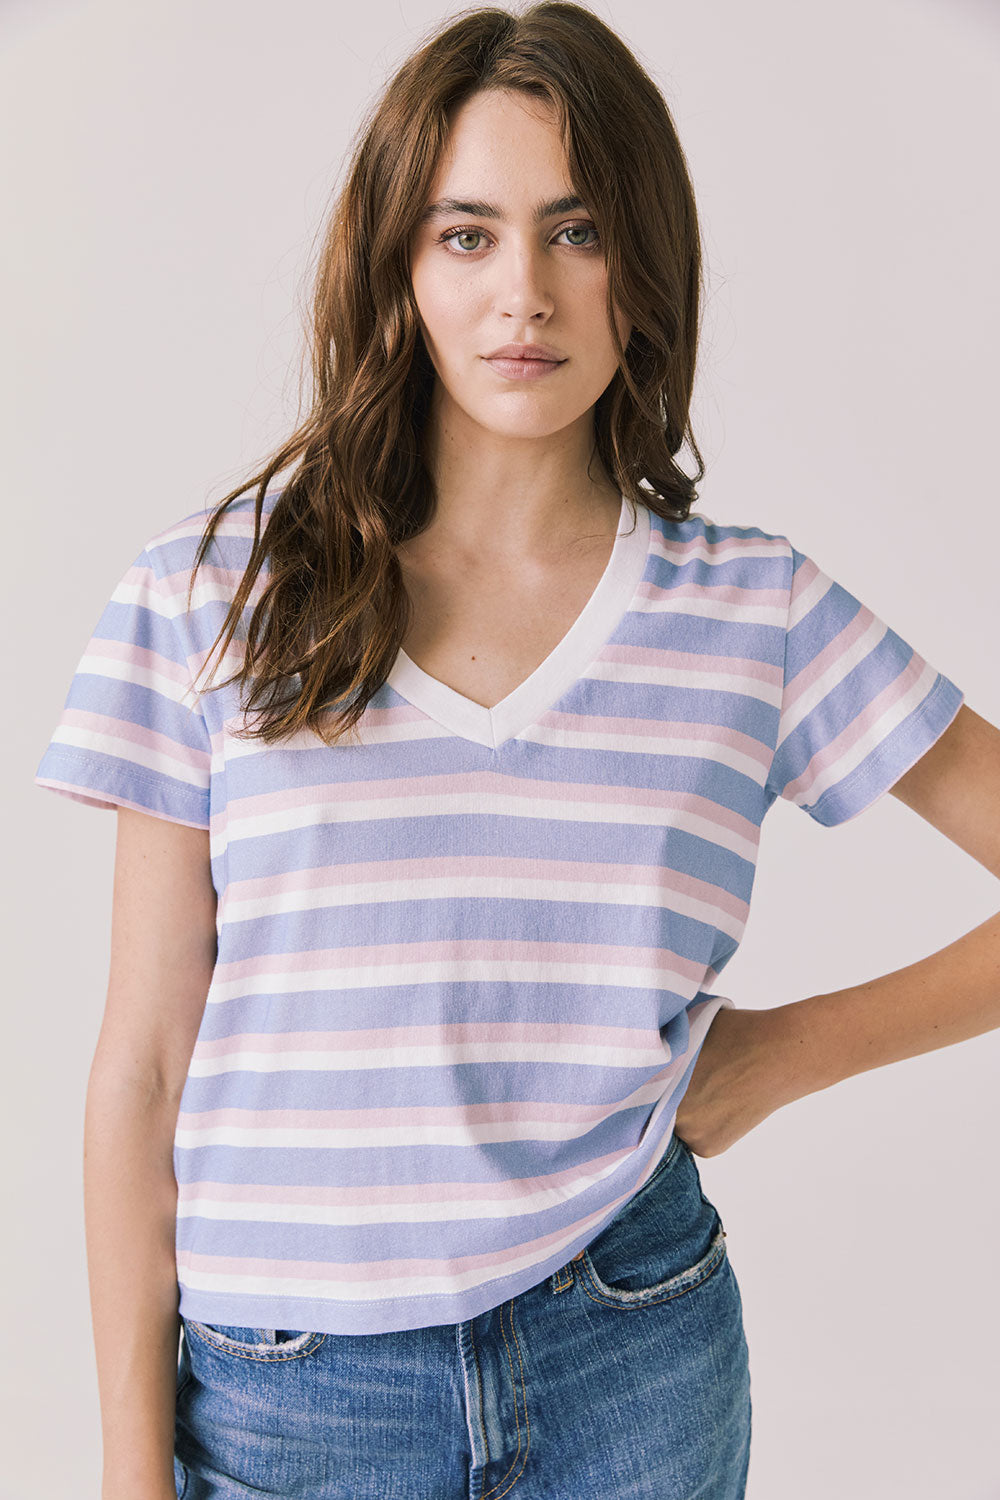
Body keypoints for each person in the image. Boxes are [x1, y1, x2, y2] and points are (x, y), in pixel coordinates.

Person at [33, 4, 1000, 1498]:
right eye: (467, 235)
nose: (525, 295)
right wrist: (121, 1463)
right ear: (399, 268)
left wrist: (779, 1057)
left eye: (578, 230)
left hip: (633, 1349)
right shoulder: (209, 593)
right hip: (292, 1395)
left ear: (644, 268)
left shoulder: (753, 610)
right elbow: (141, 1060)